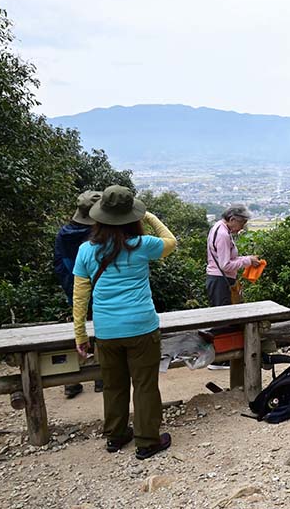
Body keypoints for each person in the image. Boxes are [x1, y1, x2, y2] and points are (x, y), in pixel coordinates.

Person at [72, 185, 177, 458]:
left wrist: (80, 334)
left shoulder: (85, 250)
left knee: (113, 385)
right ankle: (146, 441)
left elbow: (80, 297)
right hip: (142, 326)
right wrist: (150, 217)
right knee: (144, 385)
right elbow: (171, 241)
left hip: (106, 330)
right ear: (133, 217)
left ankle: (115, 437)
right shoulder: (143, 245)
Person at [53, 190, 102, 398]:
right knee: (99, 330)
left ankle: (72, 381)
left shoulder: (63, 234)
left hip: (73, 287)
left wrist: (69, 286)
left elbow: (58, 263)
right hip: (99, 288)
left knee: (78, 326)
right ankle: (101, 377)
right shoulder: (97, 236)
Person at [205, 204, 260, 370]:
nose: (242, 227)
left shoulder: (220, 229)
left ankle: (221, 356)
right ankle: (218, 359)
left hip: (219, 279)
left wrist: (246, 258)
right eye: (241, 223)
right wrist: (247, 261)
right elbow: (225, 264)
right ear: (233, 219)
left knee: (224, 317)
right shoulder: (222, 234)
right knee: (223, 319)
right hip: (220, 280)